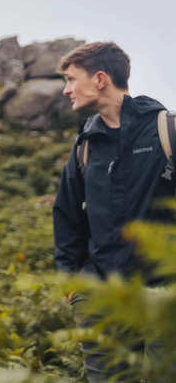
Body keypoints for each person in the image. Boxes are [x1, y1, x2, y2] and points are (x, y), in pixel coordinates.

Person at [53, 41, 175, 381]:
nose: (66, 90)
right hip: (102, 297)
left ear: (101, 79)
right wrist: (75, 285)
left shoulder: (167, 131)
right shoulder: (86, 146)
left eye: (71, 79)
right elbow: (66, 216)